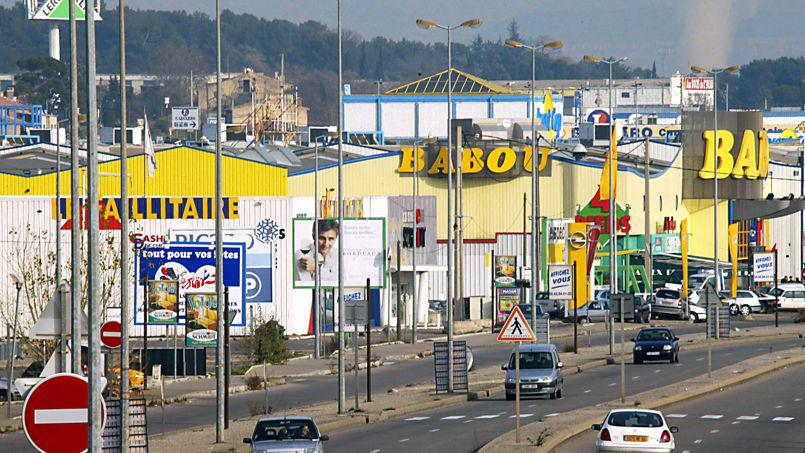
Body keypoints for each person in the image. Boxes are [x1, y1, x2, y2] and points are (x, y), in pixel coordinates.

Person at [295, 219, 339, 283]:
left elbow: (342, 281)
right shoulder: (301, 255)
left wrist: (317, 269)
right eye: (322, 238)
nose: (326, 244)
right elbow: (306, 285)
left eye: (331, 239)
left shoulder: (335, 253)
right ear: (313, 236)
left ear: (336, 238)